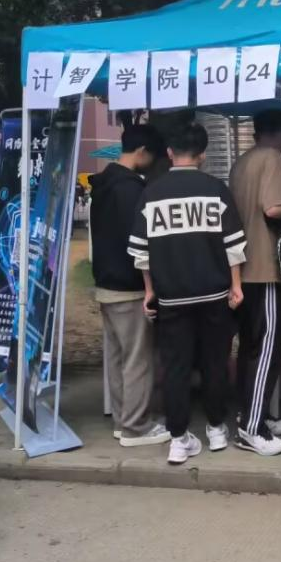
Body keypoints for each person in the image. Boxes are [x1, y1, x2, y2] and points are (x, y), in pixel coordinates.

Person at [128, 123, 248, 465]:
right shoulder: (216, 190)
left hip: (171, 298)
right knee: (215, 363)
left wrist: (150, 291)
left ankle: (179, 438)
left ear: (169, 153)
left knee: (176, 368)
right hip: (214, 295)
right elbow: (233, 246)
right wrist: (236, 286)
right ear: (203, 155)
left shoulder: (152, 193)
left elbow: (141, 253)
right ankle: (216, 429)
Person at [89, 124, 169, 448]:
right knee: (138, 360)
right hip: (130, 285)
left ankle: (124, 421)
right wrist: (151, 284)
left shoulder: (103, 184)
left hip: (106, 283)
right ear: (142, 151)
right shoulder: (132, 189)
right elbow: (140, 243)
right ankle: (137, 427)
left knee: (119, 358)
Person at [228, 109, 281, 455]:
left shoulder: (241, 162)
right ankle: (252, 428)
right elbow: (273, 209)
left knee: (250, 347)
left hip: (241, 268)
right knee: (268, 348)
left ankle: (252, 414)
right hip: (264, 267)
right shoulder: (272, 157)